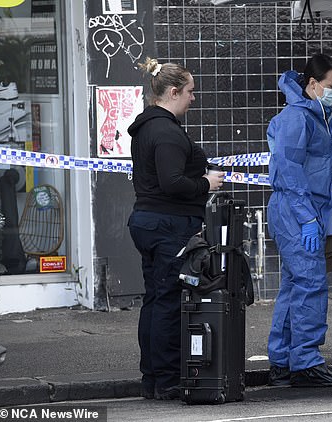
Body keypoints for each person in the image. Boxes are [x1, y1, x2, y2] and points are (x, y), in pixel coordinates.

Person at [127, 57, 224, 400]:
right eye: (190, 91)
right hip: (168, 225)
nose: (193, 98)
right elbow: (172, 183)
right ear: (172, 92)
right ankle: (167, 380)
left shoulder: (146, 128)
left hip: (149, 221)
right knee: (168, 301)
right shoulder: (165, 131)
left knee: (155, 300)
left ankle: (153, 378)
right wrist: (205, 183)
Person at [266, 53, 332, 388]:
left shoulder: (315, 113)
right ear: (312, 84)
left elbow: (310, 165)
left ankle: (283, 359)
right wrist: (307, 218)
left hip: (301, 208)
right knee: (311, 284)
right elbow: (289, 170)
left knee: (295, 285)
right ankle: (306, 361)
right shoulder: (298, 117)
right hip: (297, 210)